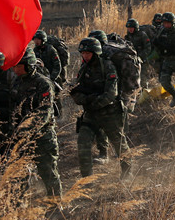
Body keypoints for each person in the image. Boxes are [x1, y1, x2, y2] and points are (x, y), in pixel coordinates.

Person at [69, 38, 130, 178]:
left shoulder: (108, 67)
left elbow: (111, 94)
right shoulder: (84, 68)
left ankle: (127, 173)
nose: (85, 56)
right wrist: (85, 100)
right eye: (83, 53)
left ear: (95, 53)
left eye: (87, 53)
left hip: (110, 113)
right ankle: (86, 179)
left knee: (120, 145)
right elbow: (76, 91)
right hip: (90, 114)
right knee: (83, 144)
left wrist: (93, 102)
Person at [11, 48, 62, 197]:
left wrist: (28, 128)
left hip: (42, 136)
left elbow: (44, 112)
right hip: (22, 137)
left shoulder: (43, 84)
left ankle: (55, 205)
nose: (15, 69)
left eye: (19, 66)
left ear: (29, 65)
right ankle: (18, 204)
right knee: (19, 173)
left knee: (48, 173)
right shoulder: (16, 83)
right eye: (14, 66)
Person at [124, 18, 153, 88]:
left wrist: (141, 56)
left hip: (142, 60)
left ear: (135, 28)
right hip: (132, 61)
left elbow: (148, 48)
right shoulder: (127, 37)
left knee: (143, 77)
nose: (130, 30)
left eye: (131, 28)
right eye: (128, 28)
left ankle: (145, 93)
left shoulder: (142, 35)